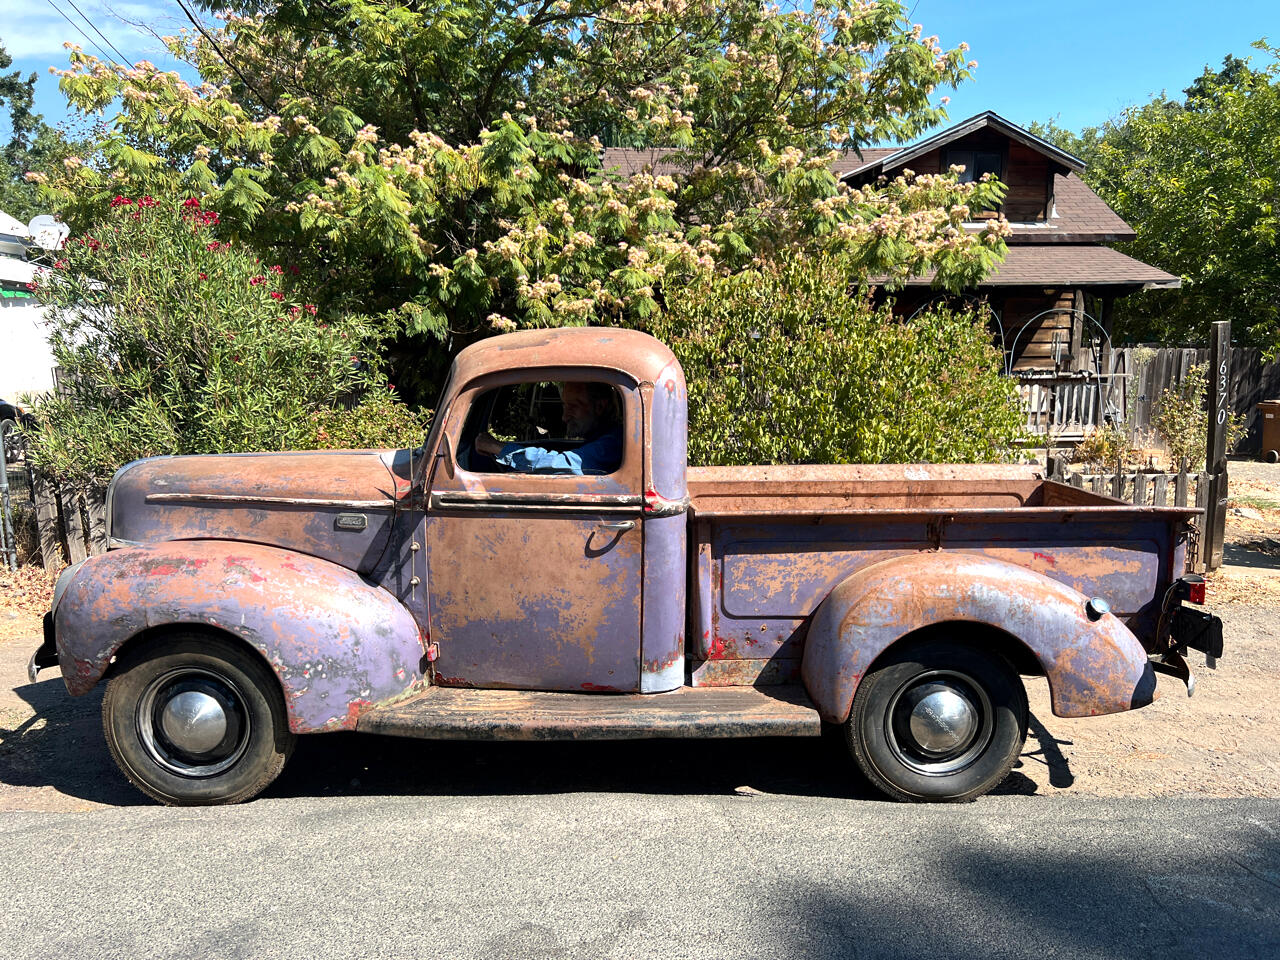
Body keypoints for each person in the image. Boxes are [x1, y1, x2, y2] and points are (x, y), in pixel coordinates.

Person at [474, 381, 623, 475]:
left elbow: (563, 465)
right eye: (564, 406)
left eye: (573, 406)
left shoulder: (614, 443)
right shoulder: (603, 438)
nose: (564, 417)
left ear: (600, 406)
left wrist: (499, 448)